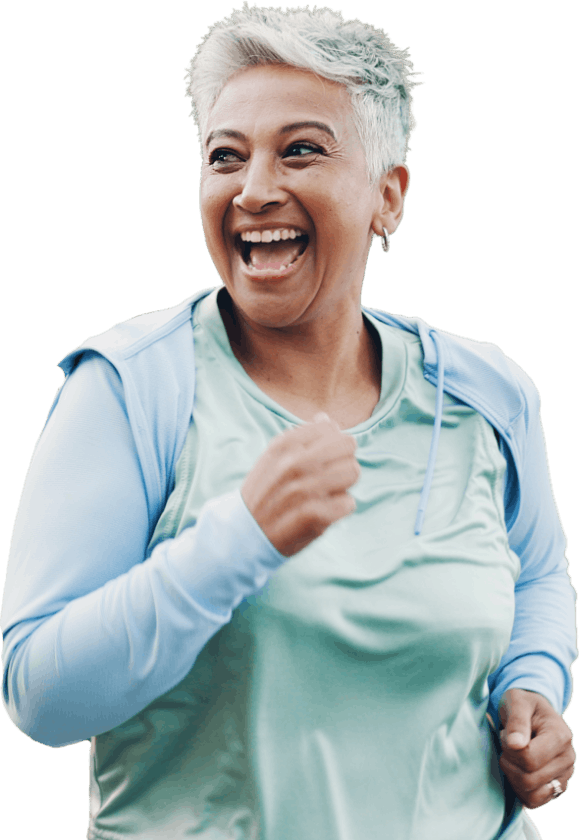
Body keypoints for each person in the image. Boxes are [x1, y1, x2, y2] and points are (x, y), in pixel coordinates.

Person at [1, 6, 576, 840]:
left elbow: (536, 576)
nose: (254, 188)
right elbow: (41, 697)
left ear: (388, 195)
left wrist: (531, 685)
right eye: (224, 156)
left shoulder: (484, 391)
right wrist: (239, 538)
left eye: (300, 149)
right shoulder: (131, 387)